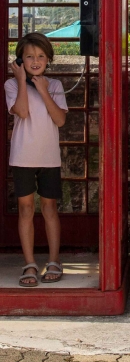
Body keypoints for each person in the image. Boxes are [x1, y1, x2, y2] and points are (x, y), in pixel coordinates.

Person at [4, 33, 68, 287]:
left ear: (48, 59)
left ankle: (54, 260)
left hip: (49, 157)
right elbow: (21, 111)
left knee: (50, 208)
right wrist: (21, 80)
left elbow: (60, 120)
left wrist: (43, 90)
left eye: (41, 56)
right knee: (26, 209)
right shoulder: (11, 85)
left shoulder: (54, 85)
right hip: (22, 156)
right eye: (29, 56)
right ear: (20, 59)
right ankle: (29, 263)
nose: (35, 61)